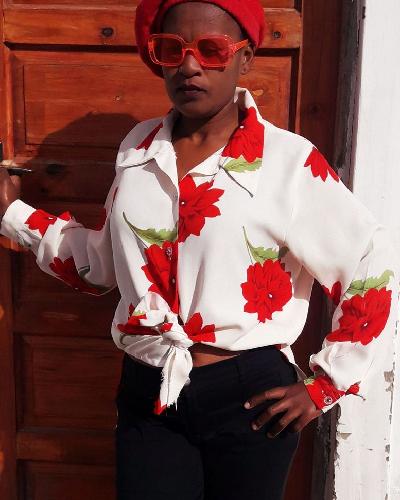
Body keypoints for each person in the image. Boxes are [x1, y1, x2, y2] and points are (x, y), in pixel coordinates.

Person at [0, 1, 396, 499]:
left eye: (211, 49)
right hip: (149, 390)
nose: (189, 65)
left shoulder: (288, 163)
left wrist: (324, 388)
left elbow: (369, 261)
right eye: (172, 49)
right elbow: (102, 264)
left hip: (251, 400)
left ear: (244, 57)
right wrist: (13, 213)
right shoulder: (138, 150)